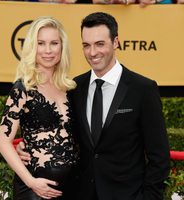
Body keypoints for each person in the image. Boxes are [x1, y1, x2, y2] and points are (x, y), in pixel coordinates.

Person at [17, 12, 170, 200]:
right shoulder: (73, 88)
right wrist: (27, 146)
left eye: (100, 44)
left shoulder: (143, 89)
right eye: (86, 45)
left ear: (115, 42)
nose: (92, 52)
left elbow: (160, 157)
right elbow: (60, 134)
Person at [0, 16, 79, 200]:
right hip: (34, 191)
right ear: (32, 47)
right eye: (41, 43)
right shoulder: (22, 88)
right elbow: (2, 141)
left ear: (62, 47)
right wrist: (31, 182)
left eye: (54, 43)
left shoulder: (72, 89)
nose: (48, 50)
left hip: (72, 188)